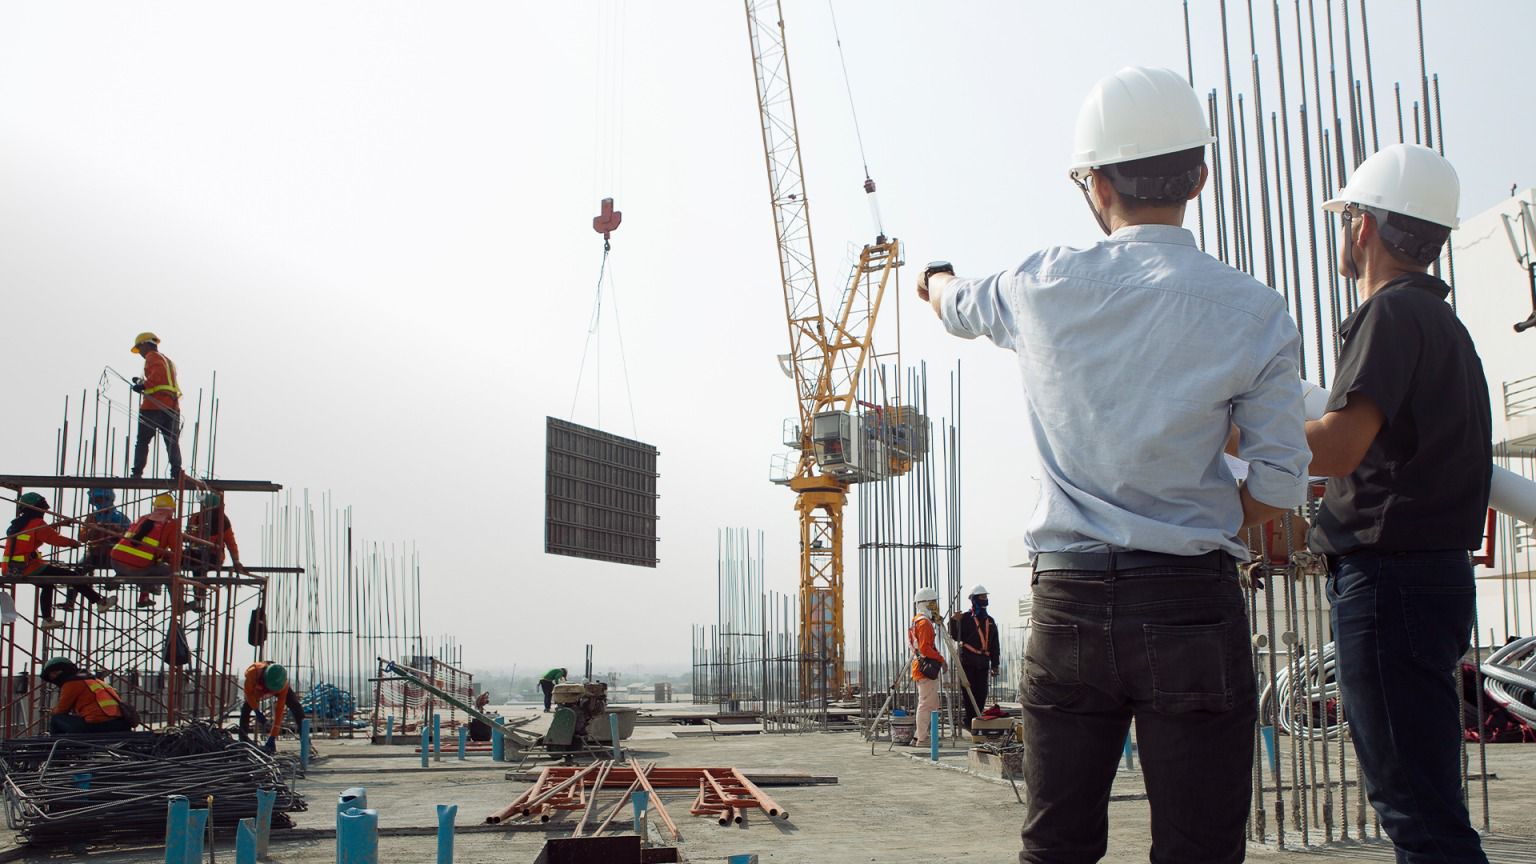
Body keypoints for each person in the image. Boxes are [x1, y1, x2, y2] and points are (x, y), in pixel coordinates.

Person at [920, 66, 1309, 864]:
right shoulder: (1254, 309)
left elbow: (954, 305)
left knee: (1056, 845)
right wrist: (1199, 518)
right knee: (1199, 849)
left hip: (1068, 602)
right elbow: (1278, 483)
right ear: (1199, 176)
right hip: (1193, 603)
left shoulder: (1040, 283)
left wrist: (933, 277)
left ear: (1094, 181)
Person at [1307, 143, 1491, 864]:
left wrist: (1228, 430)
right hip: (1429, 580)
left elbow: (1339, 446)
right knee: (1427, 800)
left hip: (1389, 583)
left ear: (1364, 226)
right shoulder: (1446, 328)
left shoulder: (1389, 318)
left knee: (1416, 813)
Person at [4, 493, 98, 629]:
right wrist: (73, 543)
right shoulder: (36, 523)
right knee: (71, 576)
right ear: (36, 509)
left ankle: (47, 620)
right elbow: (53, 538)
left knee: (47, 585)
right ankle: (99, 601)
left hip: (11, 567)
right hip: (26, 567)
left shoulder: (18, 524)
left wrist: (59, 524)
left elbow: (39, 532)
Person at [127, 331, 184, 480]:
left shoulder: (152, 357)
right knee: (172, 442)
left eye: (139, 349)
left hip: (153, 407)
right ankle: (177, 472)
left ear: (145, 345)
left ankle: (137, 472)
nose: (140, 353)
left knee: (143, 441)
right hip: (171, 407)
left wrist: (143, 385)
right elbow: (163, 380)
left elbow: (157, 376)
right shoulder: (167, 360)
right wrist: (143, 384)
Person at [110, 493, 181, 608]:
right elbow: (176, 551)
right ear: (172, 509)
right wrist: (176, 570)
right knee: (168, 572)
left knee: (150, 565)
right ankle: (178, 605)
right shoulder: (171, 524)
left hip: (115, 562)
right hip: (137, 567)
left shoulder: (143, 518)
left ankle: (144, 595)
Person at [183, 491, 248, 612]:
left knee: (197, 563)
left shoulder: (222, 521)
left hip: (213, 556)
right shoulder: (196, 518)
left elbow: (230, 542)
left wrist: (236, 561)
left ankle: (198, 596)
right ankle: (191, 598)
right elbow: (188, 535)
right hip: (197, 554)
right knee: (183, 560)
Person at [947, 584, 999, 731]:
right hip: (968, 660)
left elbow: (995, 645)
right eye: (982, 597)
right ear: (975, 599)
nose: (985, 599)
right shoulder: (965, 618)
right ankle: (969, 721)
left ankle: (977, 717)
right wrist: (953, 621)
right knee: (969, 693)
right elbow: (955, 636)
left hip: (983, 662)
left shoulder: (990, 620)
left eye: (986, 597)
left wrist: (995, 665)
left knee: (981, 693)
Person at [67, 487, 127, 613]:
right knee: (75, 572)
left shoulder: (119, 517)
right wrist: (93, 529)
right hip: (94, 554)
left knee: (130, 566)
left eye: (100, 499)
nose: (98, 503)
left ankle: (115, 582)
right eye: (95, 500)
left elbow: (131, 538)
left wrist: (115, 530)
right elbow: (82, 538)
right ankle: (70, 601)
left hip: (114, 554)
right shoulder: (92, 517)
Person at [41, 656, 132, 734]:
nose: (53, 679)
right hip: (121, 724)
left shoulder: (72, 683)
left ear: (60, 671)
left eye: (53, 674)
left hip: (99, 726)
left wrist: (52, 711)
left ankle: (57, 751)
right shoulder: (94, 681)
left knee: (57, 719)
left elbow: (61, 710)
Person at [240, 661, 305, 753]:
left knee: (296, 708)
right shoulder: (252, 673)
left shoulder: (283, 686)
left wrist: (272, 736)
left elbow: (279, 712)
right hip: (258, 688)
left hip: (274, 687)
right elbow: (249, 695)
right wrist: (257, 711)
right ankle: (243, 740)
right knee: (246, 709)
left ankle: (305, 741)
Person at [908, 587, 945, 747]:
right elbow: (925, 648)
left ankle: (919, 736)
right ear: (926, 603)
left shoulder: (917, 621)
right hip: (926, 667)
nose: (935, 606)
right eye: (933, 602)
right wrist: (941, 659)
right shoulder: (924, 623)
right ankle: (922, 739)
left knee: (929, 703)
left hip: (921, 666)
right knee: (927, 704)